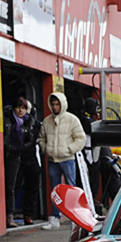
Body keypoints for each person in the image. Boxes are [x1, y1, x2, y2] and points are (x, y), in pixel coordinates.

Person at [38, 92, 85, 230]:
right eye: (52, 104)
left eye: (57, 104)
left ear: (62, 104)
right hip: (53, 159)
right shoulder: (47, 121)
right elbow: (41, 138)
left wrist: (69, 149)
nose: (55, 106)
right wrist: (46, 149)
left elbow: (80, 138)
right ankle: (55, 218)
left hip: (67, 159)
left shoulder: (72, 120)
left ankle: (75, 219)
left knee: (71, 188)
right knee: (55, 190)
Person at [3, 96, 41, 227]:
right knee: (11, 187)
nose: (21, 110)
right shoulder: (6, 119)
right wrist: (10, 147)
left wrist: (21, 148)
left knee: (24, 187)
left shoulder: (30, 122)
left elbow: (32, 139)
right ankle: (8, 215)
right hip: (7, 156)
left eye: (24, 108)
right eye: (19, 107)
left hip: (21, 157)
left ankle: (21, 215)